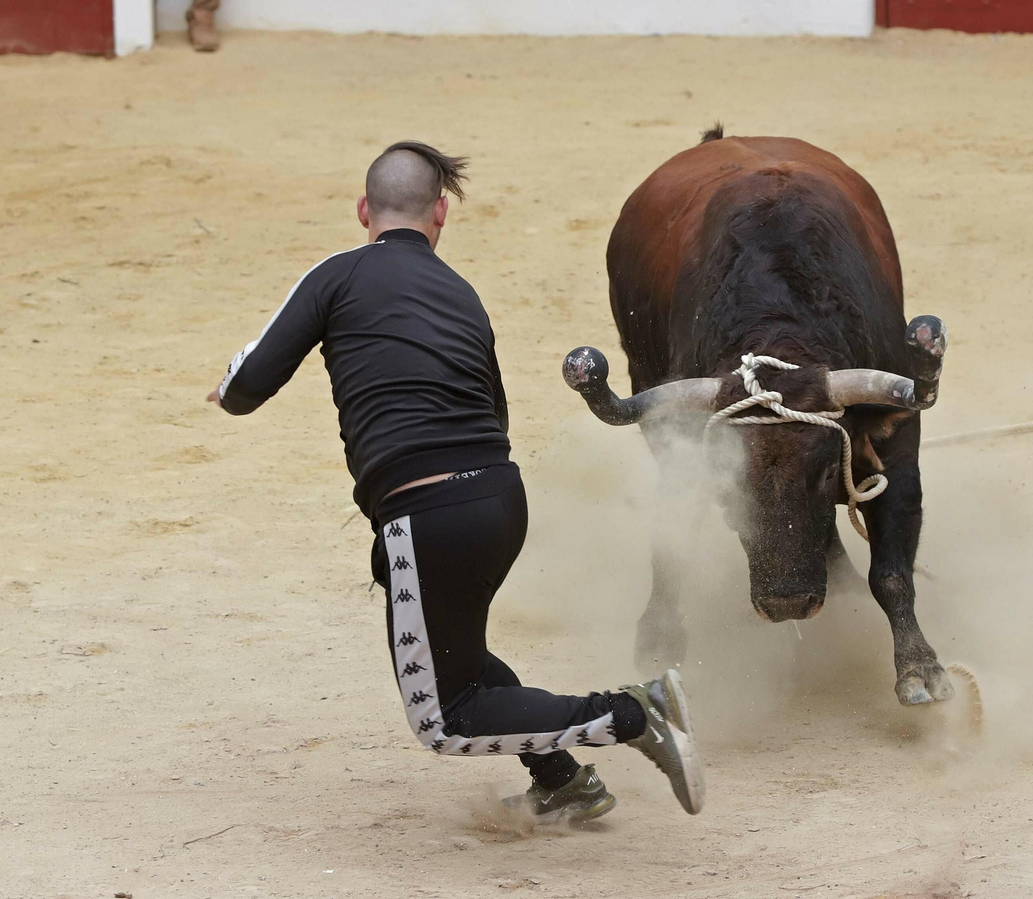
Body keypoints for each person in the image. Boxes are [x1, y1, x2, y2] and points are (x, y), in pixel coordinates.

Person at [206, 141, 704, 820]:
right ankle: (563, 781)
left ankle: (632, 712)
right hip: (499, 500)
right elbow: (494, 410)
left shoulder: (338, 276)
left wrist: (225, 386)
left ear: (363, 210)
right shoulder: (461, 293)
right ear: (441, 213)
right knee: (459, 655)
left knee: (443, 716)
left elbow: (245, 387)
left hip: (427, 512)